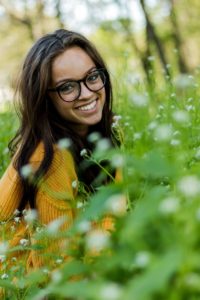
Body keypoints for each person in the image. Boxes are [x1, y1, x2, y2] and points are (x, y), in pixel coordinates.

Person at [0, 29, 123, 272]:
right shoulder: (49, 157)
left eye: (92, 77)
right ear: (45, 99)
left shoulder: (105, 132)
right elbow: (58, 272)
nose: (87, 93)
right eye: (67, 87)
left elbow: (113, 212)